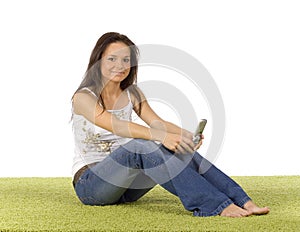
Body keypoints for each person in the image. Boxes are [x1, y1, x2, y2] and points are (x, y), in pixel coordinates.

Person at [71, 32, 270, 217]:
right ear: (98, 61)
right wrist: (162, 137)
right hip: (92, 185)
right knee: (140, 146)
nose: (119, 65)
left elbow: (158, 124)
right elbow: (116, 125)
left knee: (174, 148)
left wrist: (185, 136)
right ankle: (216, 205)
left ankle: (242, 200)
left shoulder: (132, 93)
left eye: (126, 60)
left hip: (128, 189)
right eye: (111, 59)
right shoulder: (83, 97)